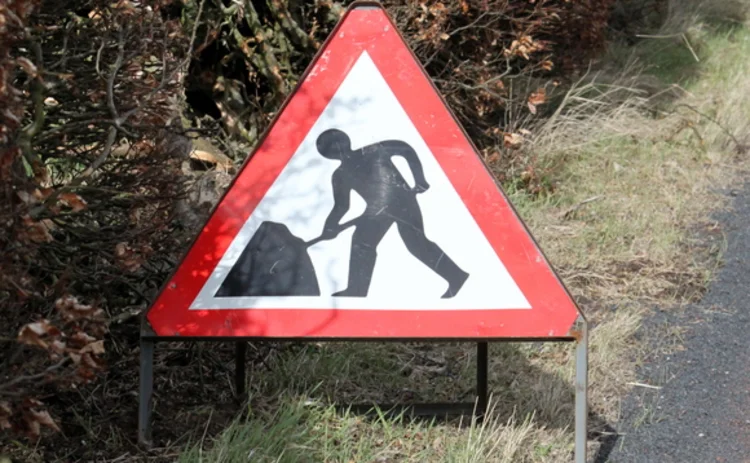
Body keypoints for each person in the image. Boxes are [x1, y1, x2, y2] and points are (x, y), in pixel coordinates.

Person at [316, 128, 469, 298]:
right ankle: (356, 289)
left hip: (401, 201)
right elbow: (341, 206)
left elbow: (405, 149)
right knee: (369, 242)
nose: (337, 150)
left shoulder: (373, 150)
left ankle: (357, 290)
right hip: (378, 209)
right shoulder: (340, 175)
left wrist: (420, 179)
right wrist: (329, 226)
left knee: (409, 243)